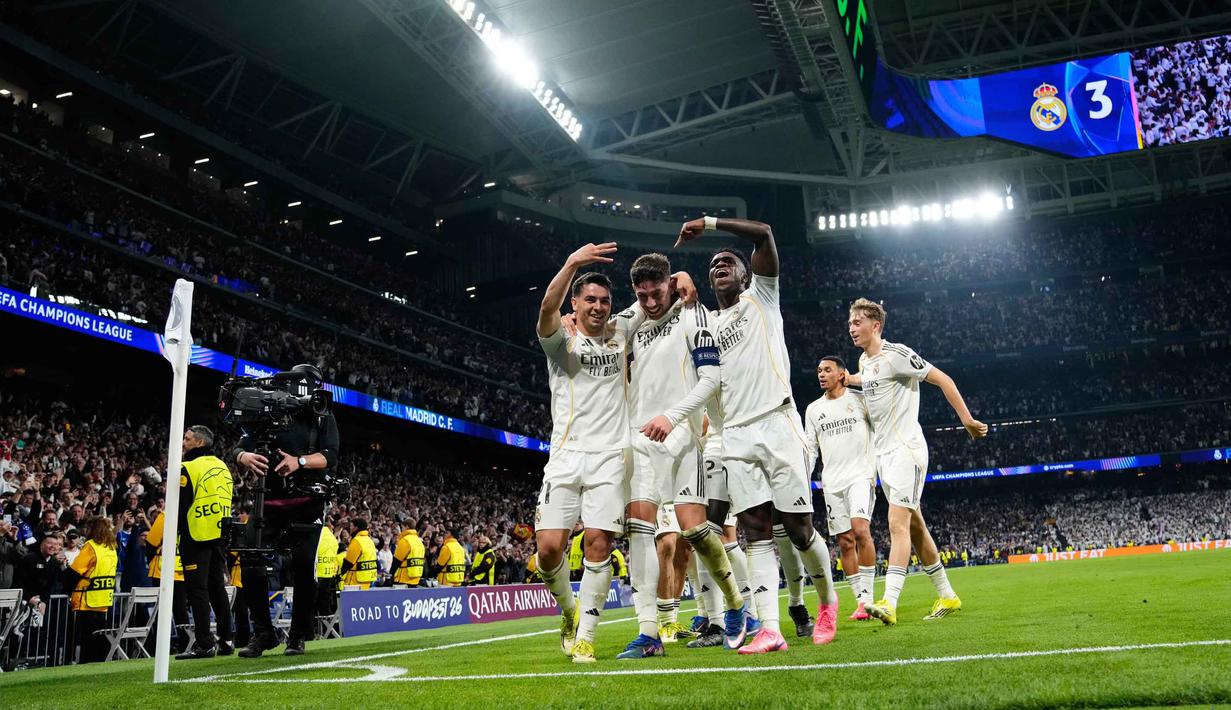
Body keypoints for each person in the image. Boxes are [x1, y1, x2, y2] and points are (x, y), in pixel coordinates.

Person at [675, 216, 839, 654]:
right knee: (755, 532)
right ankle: (769, 627)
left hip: (778, 422)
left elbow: (766, 232)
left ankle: (827, 602)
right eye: (712, 265)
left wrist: (709, 225)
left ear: (746, 273)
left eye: (727, 261)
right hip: (735, 434)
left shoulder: (762, 298)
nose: (718, 266)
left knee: (799, 529)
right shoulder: (706, 325)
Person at [532, 242, 697, 663]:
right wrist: (572, 262)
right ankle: (569, 612)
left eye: (605, 301)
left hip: (610, 457)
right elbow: (547, 310)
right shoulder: (560, 344)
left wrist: (681, 277)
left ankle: (586, 636)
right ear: (576, 302)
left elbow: (660, 293)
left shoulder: (622, 328)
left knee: (599, 542)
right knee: (549, 549)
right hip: (566, 456)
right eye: (590, 300)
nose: (599, 307)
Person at [614, 252, 747, 660]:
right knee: (641, 531)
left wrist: (671, 418)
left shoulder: (695, 314)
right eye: (643, 294)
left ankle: (736, 605)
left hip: (683, 437)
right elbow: (601, 327)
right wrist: (570, 320)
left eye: (657, 292)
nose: (651, 301)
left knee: (695, 530)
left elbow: (712, 378)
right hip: (640, 439)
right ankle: (649, 631)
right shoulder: (635, 320)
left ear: (670, 284)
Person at [844, 298, 988, 624]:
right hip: (884, 455)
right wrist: (848, 379)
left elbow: (944, 379)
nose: (851, 328)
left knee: (896, 523)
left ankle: (889, 603)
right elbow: (868, 379)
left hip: (907, 450)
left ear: (875, 325)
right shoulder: (865, 362)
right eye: (850, 323)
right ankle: (948, 596)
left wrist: (966, 419)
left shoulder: (897, 354)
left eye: (857, 322)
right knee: (916, 527)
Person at [232, 363, 340, 657]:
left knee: (304, 567)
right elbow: (239, 446)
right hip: (268, 501)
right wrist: (245, 457)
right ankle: (264, 632)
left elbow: (331, 456)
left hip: (306, 502)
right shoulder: (268, 409)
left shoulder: (321, 413)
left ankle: (297, 636)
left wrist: (299, 462)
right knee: (251, 562)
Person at [804, 356, 878, 621]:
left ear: (842, 374)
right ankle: (860, 602)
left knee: (861, 530)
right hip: (832, 481)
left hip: (861, 475)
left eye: (827, 370)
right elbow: (811, 448)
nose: (821, 374)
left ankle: (869, 597)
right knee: (845, 542)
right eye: (819, 370)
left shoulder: (860, 399)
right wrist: (804, 475)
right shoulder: (813, 410)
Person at [175, 425, 235, 659]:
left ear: (199, 443)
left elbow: (182, 505)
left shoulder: (188, 467)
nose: (183, 442)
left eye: (187, 439)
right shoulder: (223, 467)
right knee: (216, 587)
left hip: (196, 535)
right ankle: (227, 639)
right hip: (219, 535)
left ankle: (204, 643)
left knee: (197, 589)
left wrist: (176, 533)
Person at [63, 516, 117, 663]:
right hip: (103, 598)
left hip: (86, 599)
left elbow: (76, 570)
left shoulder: (91, 546)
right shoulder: (111, 548)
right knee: (100, 636)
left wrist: (64, 582)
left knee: (87, 638)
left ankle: (86, 664)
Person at [145, 508, 189, 653]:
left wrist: (153, 559)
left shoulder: (166, 515)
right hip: (181, 570)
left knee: (162, 612)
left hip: (162, 572)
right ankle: (185, 645)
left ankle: (161, 647)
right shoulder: (189, 515)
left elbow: (151, 542)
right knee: (181, 611)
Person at [339, 519, 377, 590]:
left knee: (351, 600)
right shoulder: (369, 540)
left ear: (356, 528)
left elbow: (349, 562)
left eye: (351, 526)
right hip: (367, 578)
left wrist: (340, 574)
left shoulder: (357, 541)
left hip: (355, 579)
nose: (350, 528)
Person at [389, 517, 425, 587]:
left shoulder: (405, 540)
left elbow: (397, 560)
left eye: (402, 527)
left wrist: (391, 574)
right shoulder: (419, 541)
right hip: (416, 577)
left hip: (403, 578)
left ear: (407, 527)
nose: (402, 529)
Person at [315, 522, 340, 616]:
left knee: (313, 602)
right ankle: (327, 627)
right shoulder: (333, 539)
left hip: (317, 573)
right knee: (325, 603)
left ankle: (315, 627)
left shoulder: (317, 536)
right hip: (329, 574)